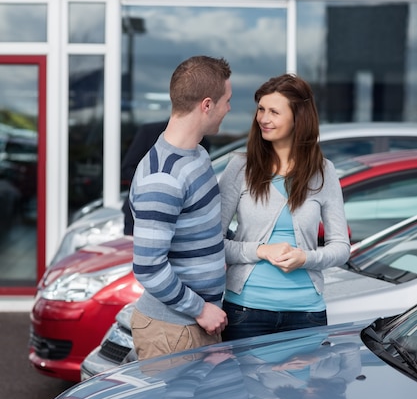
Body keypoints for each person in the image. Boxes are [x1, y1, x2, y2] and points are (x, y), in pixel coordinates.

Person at [219, 73, 350, 341]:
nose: (264, 119)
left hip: (307, 315)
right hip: (246, 311)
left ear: (298, 118)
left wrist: (306, 258)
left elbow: (341, 247)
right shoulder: (239, 168)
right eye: (261, 110)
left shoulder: (324, 172)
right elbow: (213, 242)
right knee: (242, 385)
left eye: (274, 112)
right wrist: (261, 250)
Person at [129, 55, 232, 360]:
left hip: (198, 323)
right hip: (173, 330)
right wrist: (200, 310)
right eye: (227, 100)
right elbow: (148, 267)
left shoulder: (197, 155)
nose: (229, 109)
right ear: (207, 104)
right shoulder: (163, 176)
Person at [121, 120, 210, 235]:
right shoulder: (149, 132)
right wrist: (158, 183)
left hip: (180, 220)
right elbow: (127, 168)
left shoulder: (203, 144)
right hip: (140, 215)